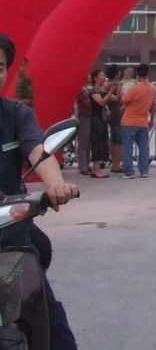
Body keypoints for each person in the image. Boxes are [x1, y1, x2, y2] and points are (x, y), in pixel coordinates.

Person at [0, 33, 80, 349]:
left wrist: (55, 183)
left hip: (9, 237)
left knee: (56, 331)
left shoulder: (15, 115)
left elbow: (39, 152)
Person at [120, 63, 156, 179]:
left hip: (129, 121)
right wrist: (152, 119)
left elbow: (124, 100)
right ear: (148, 73)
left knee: (128, 147)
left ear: (137, 74)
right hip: (143, 121)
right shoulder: (152, 89)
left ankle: (129, 172)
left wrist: (122, 91)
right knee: (143, 147)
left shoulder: (134, 89)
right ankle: (144, 170)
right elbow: (153, 106)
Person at [88, 69, 112, 178]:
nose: (104, 77)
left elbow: (114, 98)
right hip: (96, 119)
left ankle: (95, 169)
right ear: (95, 78)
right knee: (97, 143)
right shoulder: (94, 90)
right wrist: (110, 92)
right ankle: (97, 170)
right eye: (101, 75)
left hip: (101, 119)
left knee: (101, 142)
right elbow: (101, 102)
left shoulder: (101, 90)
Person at [104, 64, 123, 173]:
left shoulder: (107, 84)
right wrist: (119, 86)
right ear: (116, 74)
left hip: (112, 114)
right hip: (116, 114)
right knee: (118, 140)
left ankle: (114, 163)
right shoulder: (112, 85)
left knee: (114, 139)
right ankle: (116, 165)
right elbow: (118, 98)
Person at [75, 75, 92, 175]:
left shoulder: (86, 89)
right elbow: (86, 103)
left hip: (88, 117)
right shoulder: (81, 90)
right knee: (83, 142)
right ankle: (83, 166)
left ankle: (86, 164)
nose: (89, 78)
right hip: (83, 117)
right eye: (87, 77)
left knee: (88, 142)